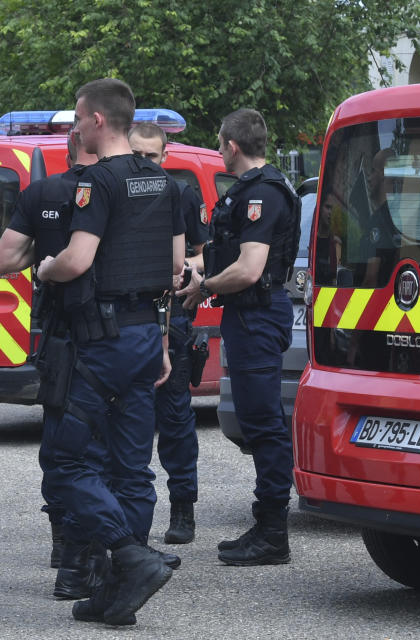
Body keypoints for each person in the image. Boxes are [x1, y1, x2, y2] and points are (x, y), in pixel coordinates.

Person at [35, 78, 184, 626]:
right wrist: (163, 339)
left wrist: (46, 268)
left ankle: (128, 556)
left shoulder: (96, 182)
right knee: (132, 469)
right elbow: (172, 269)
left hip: (103, 340)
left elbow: (75, 261)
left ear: (98, 120)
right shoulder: (161, 183)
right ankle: (119, 591)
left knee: (66, 462)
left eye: (77, 118)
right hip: (146, 336)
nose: (74, 127)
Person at [0, 134, 115, 601]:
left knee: (61, 444)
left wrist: (45, 255)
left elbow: (2, 259)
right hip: (114, 338)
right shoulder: (118, 189)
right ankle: (95, 556)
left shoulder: (44, 193)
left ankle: (65, 546)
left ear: (66, 151)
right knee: (106, 449)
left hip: (61, 339)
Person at [178, 108, 300, 566]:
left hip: (257, 315)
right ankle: (268, 524)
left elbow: (249, 269)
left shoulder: (262, 195)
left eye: (218, 142)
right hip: (251, 317)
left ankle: (273, 532)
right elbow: (225, 253)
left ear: (231, 146)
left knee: (263, 422)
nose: (217, 149)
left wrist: (204, 288)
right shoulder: (253, 191)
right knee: (256, 419)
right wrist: (191, 270)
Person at [128, 123, 209, 545]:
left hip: (170, 313)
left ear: (166, 156)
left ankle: (183, 508)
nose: (145, 165)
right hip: (124, 315)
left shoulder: (180, 193)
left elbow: (200, 256)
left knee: (174, 417)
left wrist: (184, 273)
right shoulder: (115, 189)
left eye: (153, 157)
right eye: (137, 156)